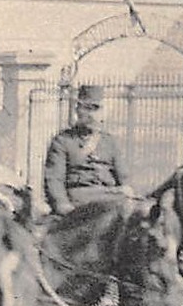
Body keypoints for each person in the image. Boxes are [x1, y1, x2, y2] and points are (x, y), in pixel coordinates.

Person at [42, 84, 128, 216]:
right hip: (80, 198)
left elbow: (123, 177)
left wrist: (127, 190)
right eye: (86, 108)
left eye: (96, 109)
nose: (91, 115)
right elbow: (54, 179)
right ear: (77, 110)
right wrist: (62, 203)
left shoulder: (110, 141)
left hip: (109, 195)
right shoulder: (63, 141)